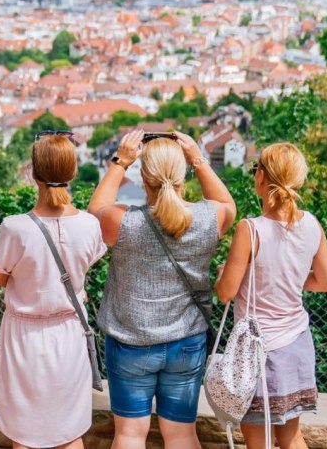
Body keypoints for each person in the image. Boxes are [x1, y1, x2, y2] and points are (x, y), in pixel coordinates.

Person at [88, 130, 236, 449]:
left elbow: (94, 211)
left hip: (131, 341)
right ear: (183, 174)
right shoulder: (210, 218)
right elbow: (227, 202)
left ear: (143, 177)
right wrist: (198, 158)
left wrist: (120, 161)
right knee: (182, 435)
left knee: (129, 435)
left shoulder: (123, 222)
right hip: (186, 342)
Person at [214, 143, 327, 449]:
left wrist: (221, 274)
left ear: (262, 177)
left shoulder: (250, 230)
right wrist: (290, 278)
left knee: (259, 442)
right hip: (296, 344)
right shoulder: (311, 224)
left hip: (258, 353)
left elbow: (226, 293)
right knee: (292, 437)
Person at [0, 132, 107, 449]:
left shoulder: (14, 227)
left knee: (25, 433)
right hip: (69, 334)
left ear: (33, 173)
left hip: (23, 338)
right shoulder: (89, 225)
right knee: (69, 433)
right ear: (72, 172)